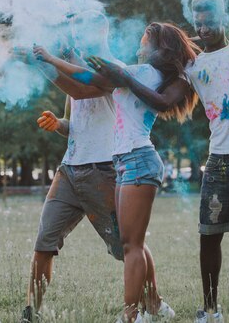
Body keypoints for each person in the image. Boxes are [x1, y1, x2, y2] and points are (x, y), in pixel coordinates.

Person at [94, 0, 229, 322]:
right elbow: (167, 75)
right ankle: (210, 311)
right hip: (219, 160)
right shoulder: (194, 66)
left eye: (209, 20)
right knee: (208, 237)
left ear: (223, 17)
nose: (203, 27)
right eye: (198, 21)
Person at [35, 21, 198, 323]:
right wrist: (59, 58)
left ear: (158, 47)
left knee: (130, 245)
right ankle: (150, 308)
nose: (139, 43)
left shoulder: (143, 73)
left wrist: (50, 58)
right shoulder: (137, 74)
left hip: (138, 160)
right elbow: (88, 78)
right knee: (130, 243)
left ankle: (131, 314)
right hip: (124, 161)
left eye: (143, 39)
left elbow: (87, 78)